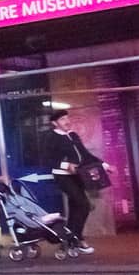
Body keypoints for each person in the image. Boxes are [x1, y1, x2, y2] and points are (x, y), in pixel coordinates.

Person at [43, 108, 100, 254]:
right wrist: (65, 165)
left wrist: (104, 165)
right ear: (55, 123)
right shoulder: (51, 137)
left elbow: (85, 154)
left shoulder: (73, 135)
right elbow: (47, 159)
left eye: (67, 118)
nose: (67, 122)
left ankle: (71, 237)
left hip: (77, 175)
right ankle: (77, 237)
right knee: (84, 204)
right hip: (62, 175)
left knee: (76, 206)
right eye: (62, 120)